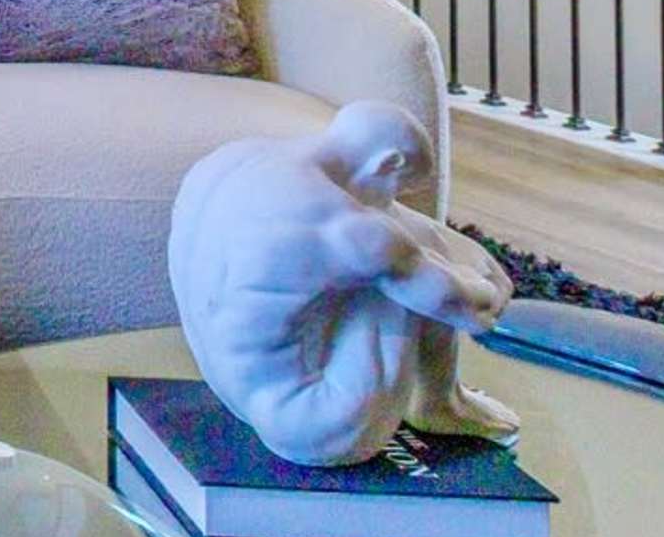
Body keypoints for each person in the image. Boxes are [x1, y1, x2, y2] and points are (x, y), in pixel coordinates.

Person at [166, 100, 520, 467]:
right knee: (408, 279)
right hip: (315, 426)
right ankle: (439, 403)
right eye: (398, 187)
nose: (393, 200)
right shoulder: (346, 229)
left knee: (400, 251)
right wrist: (492, 285)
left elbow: (392, 219)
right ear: (388, 163)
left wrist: (459, 248)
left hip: (235, 392)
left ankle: (438, 399)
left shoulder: (231, 162)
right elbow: (464, 308)